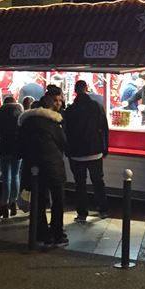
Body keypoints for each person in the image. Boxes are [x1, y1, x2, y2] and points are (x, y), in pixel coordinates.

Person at [20, 86, 68, 247]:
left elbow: (20, 145)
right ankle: (57, 233)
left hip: (33, 168)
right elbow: (63, 143)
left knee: (39, 201)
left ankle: (40, 233)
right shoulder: (53, 122)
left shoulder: (26, 121)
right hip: (53, 166)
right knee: (57, 201)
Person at [64, 79, 110, 222]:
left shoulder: (70, 110)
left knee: (80, 184)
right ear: (86, 88)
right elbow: (104, 128)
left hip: (76, 153)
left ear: (75, 91)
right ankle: (103, 210)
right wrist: (105, 148)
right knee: (98, 182)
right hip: (95, 150)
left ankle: (82, 213)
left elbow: (66, 132)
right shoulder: (96, 107)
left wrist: (68, 151)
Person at [0, 95, 23, 220]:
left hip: (4, 147)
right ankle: (13, 202)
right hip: (17, 148)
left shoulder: (0, 115)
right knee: (16, 175)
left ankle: (4, 205)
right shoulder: (20, 115)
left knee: (6, 177)